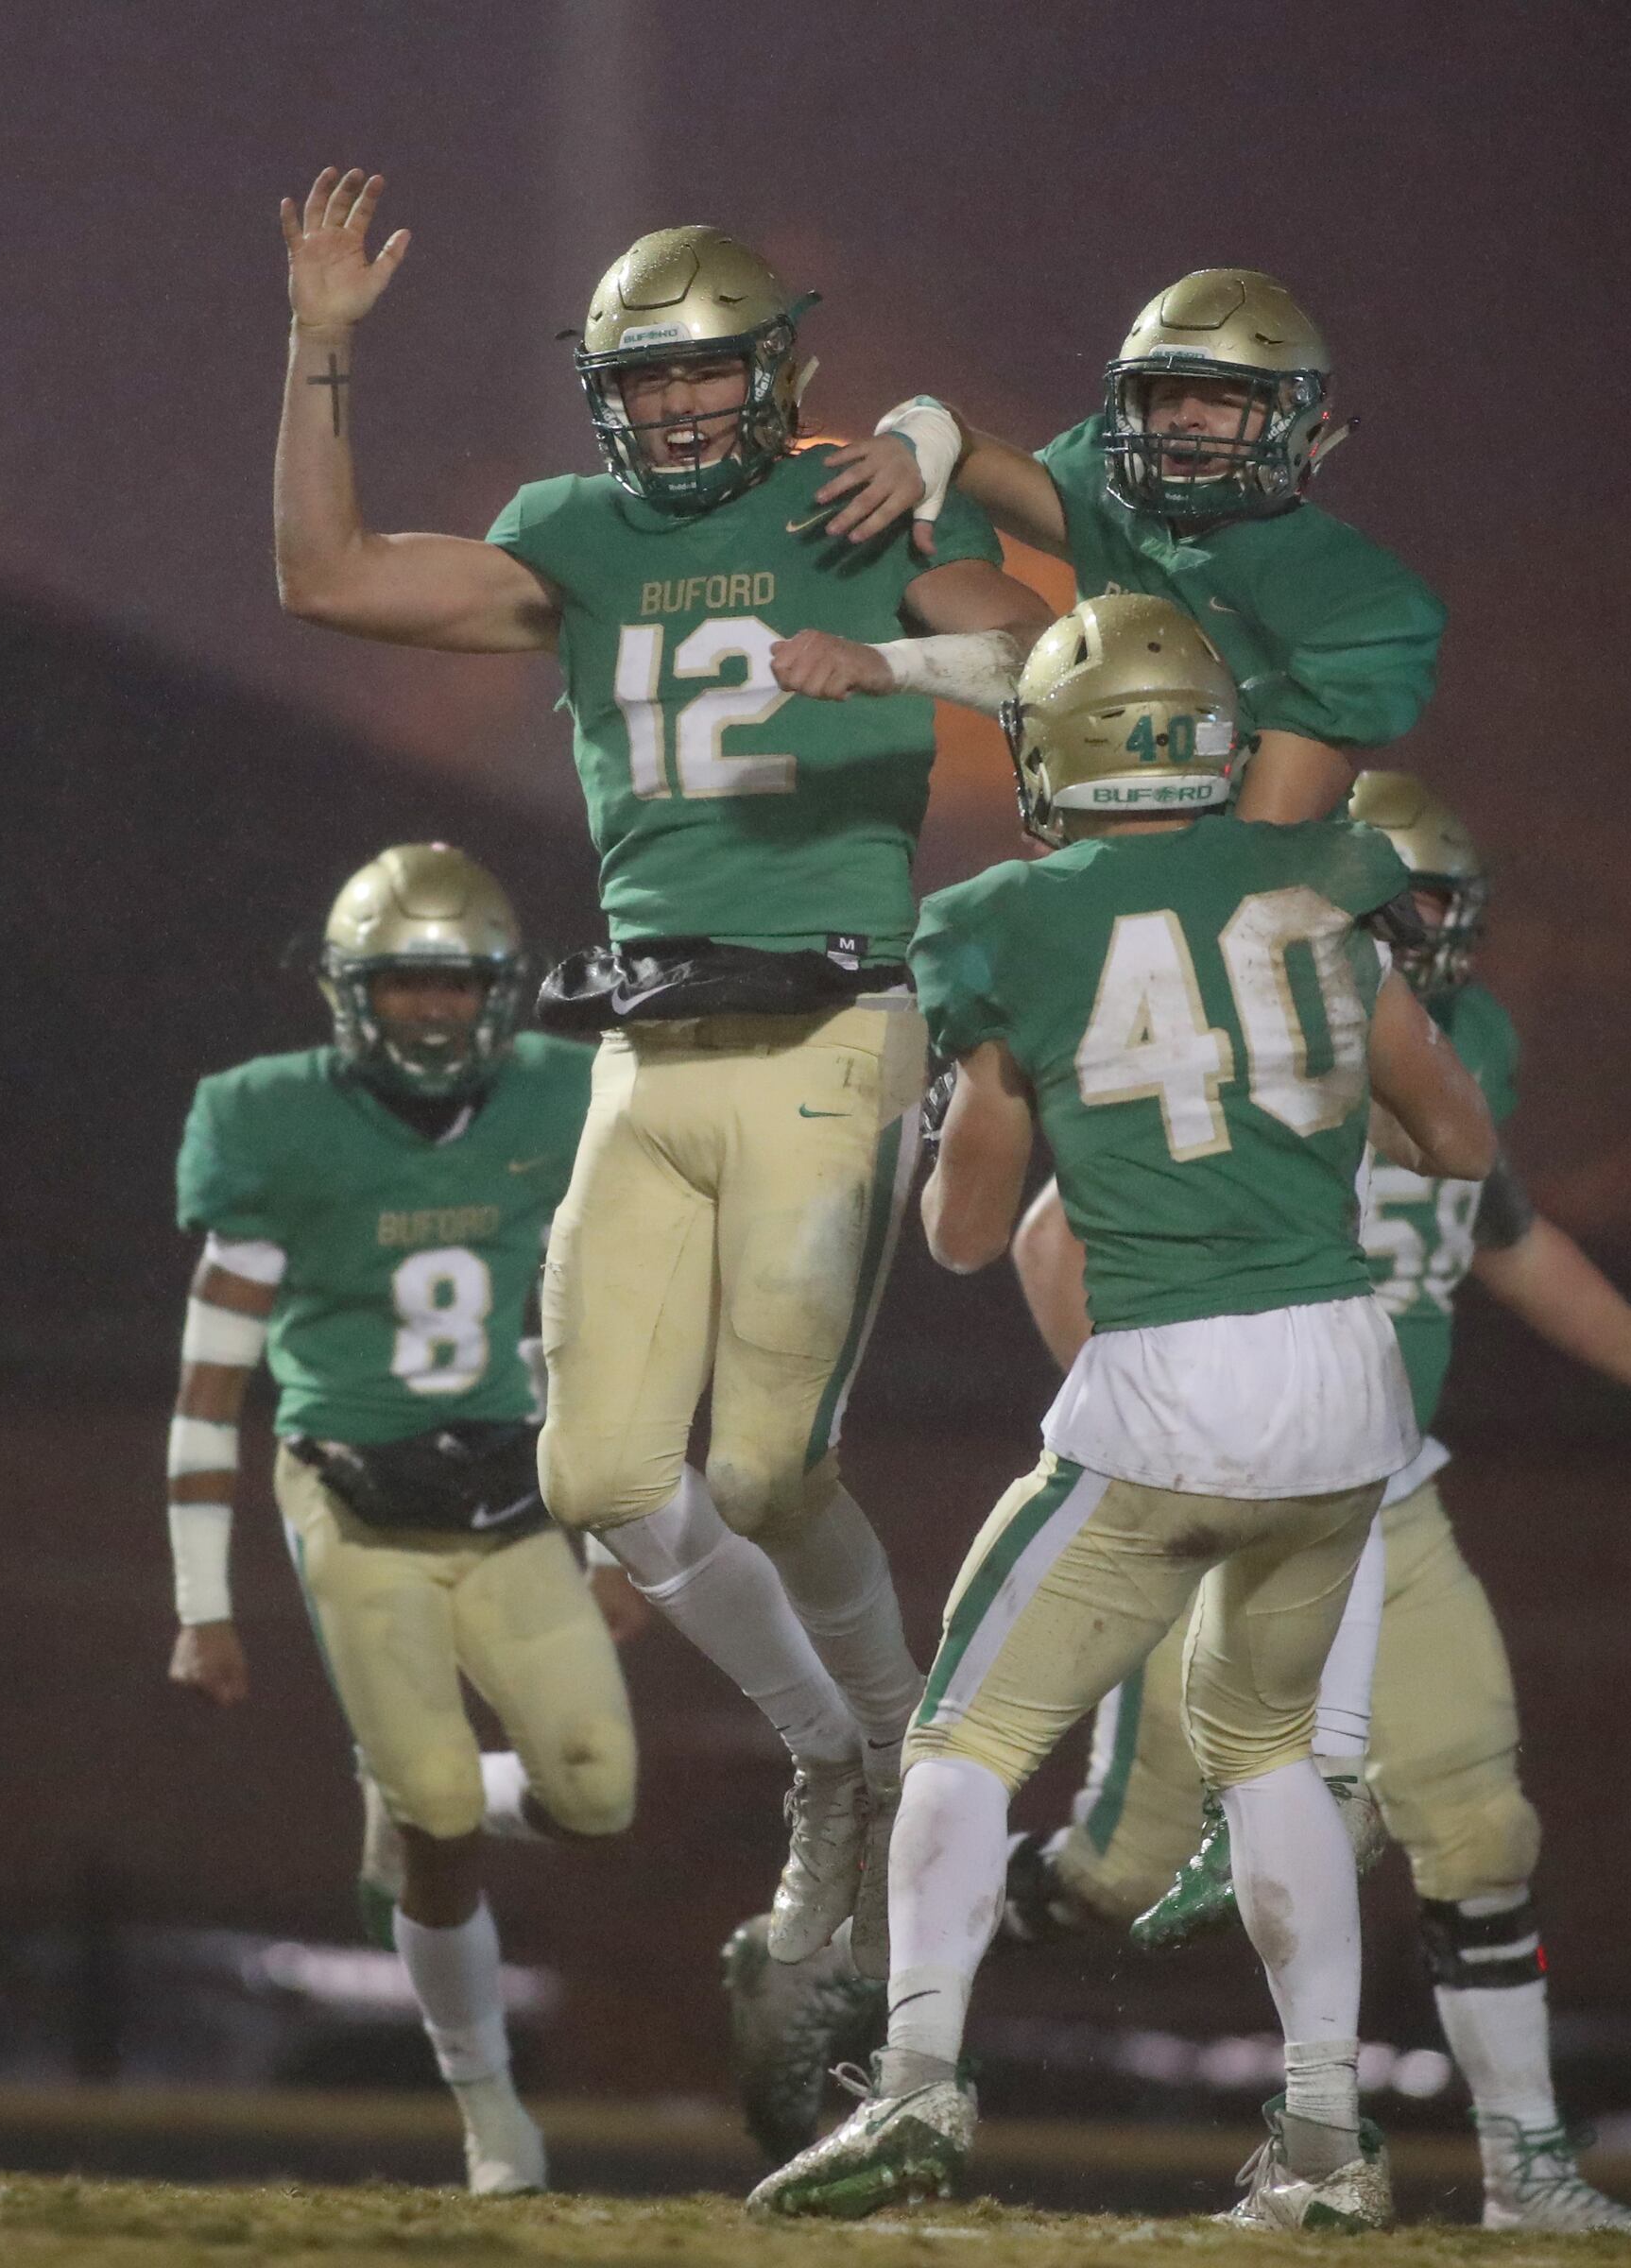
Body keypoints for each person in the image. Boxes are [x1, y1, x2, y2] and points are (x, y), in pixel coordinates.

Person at [269, 167, 1061, 1982]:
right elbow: (323, 579)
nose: (684, 407)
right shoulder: (577, 531)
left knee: (775, 1474)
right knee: (606, 1470)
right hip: (646, 1035)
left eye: (711, 374)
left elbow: (1049, 660)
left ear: (774, 377)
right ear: (605, 395)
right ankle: (835, 1753)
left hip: (829, 1023)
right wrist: (320, 350)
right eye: (651, 379)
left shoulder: (850, 493)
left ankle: (890, 1736)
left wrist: (897, 656)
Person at [753, 596, 1496, 2227]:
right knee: (1275, 1753)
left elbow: (962, 1236)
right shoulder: (1323, 876)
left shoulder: (1013, 917)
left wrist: (1003, 1100)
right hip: (1347, 1383)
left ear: (1056, 751)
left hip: (1175, 1380)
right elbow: (1453, 1137)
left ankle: (917, 2090)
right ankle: (1325, 2140)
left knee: (966, 1738)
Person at [999, 768, 1631, 2231]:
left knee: (1482, 1826)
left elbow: (1501, 1233)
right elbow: (1054, 1241)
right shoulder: (1254, 1006)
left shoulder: (1468, 1037)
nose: (1411, 929)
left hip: (1387, 1497)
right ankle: (886, 1970)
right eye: (1386, 902)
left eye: (1427, 904)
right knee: (1116, 1876)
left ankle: (1529, 2177)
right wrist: (1155, 1423)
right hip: (1220, 1492)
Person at [166, 842, 685, 2195]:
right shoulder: (272, 1120)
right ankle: (490, 2111)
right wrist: (202, 1605)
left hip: (507, 1492)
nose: (435, 1012)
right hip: (353, 1494)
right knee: (447, 1800)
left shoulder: (563, 1099)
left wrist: (619, 1530)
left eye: (457, 985)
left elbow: (607, 1330)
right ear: (351, 991)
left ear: (502, 991)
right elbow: (209, 1383)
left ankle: (400, 1797)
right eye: (405, 985)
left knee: (597, 1797)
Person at [825, 266, 1447, 827]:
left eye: (1225, 398)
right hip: (1099, 841)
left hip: (1241, 893)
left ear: (1296, 419)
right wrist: (920, 433)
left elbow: (1260, 851)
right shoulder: (1110, 497)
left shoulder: (1355, 598)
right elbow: (959, 451)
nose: (1186, 417)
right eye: (1165, 395)